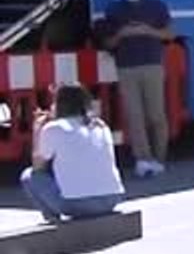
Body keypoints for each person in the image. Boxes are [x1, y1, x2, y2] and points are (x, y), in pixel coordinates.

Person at [103, 0, 173, 178]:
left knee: (156, 114)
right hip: (126, 66)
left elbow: (169, 33)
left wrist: (147, 30)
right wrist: (122, 34)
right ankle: (143, 159)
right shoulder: (114, 9)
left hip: (152, 64)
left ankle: (160, 158)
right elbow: (108, 42)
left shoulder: (156, 6)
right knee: (135, 116)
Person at [21, 84, 125, 223]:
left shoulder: (53, 128)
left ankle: (52, 219)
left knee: (29, 176)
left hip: (77, 203)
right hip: (112, 198)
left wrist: (38, 129)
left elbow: (38, 166)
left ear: (59, 105)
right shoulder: (100, 125)